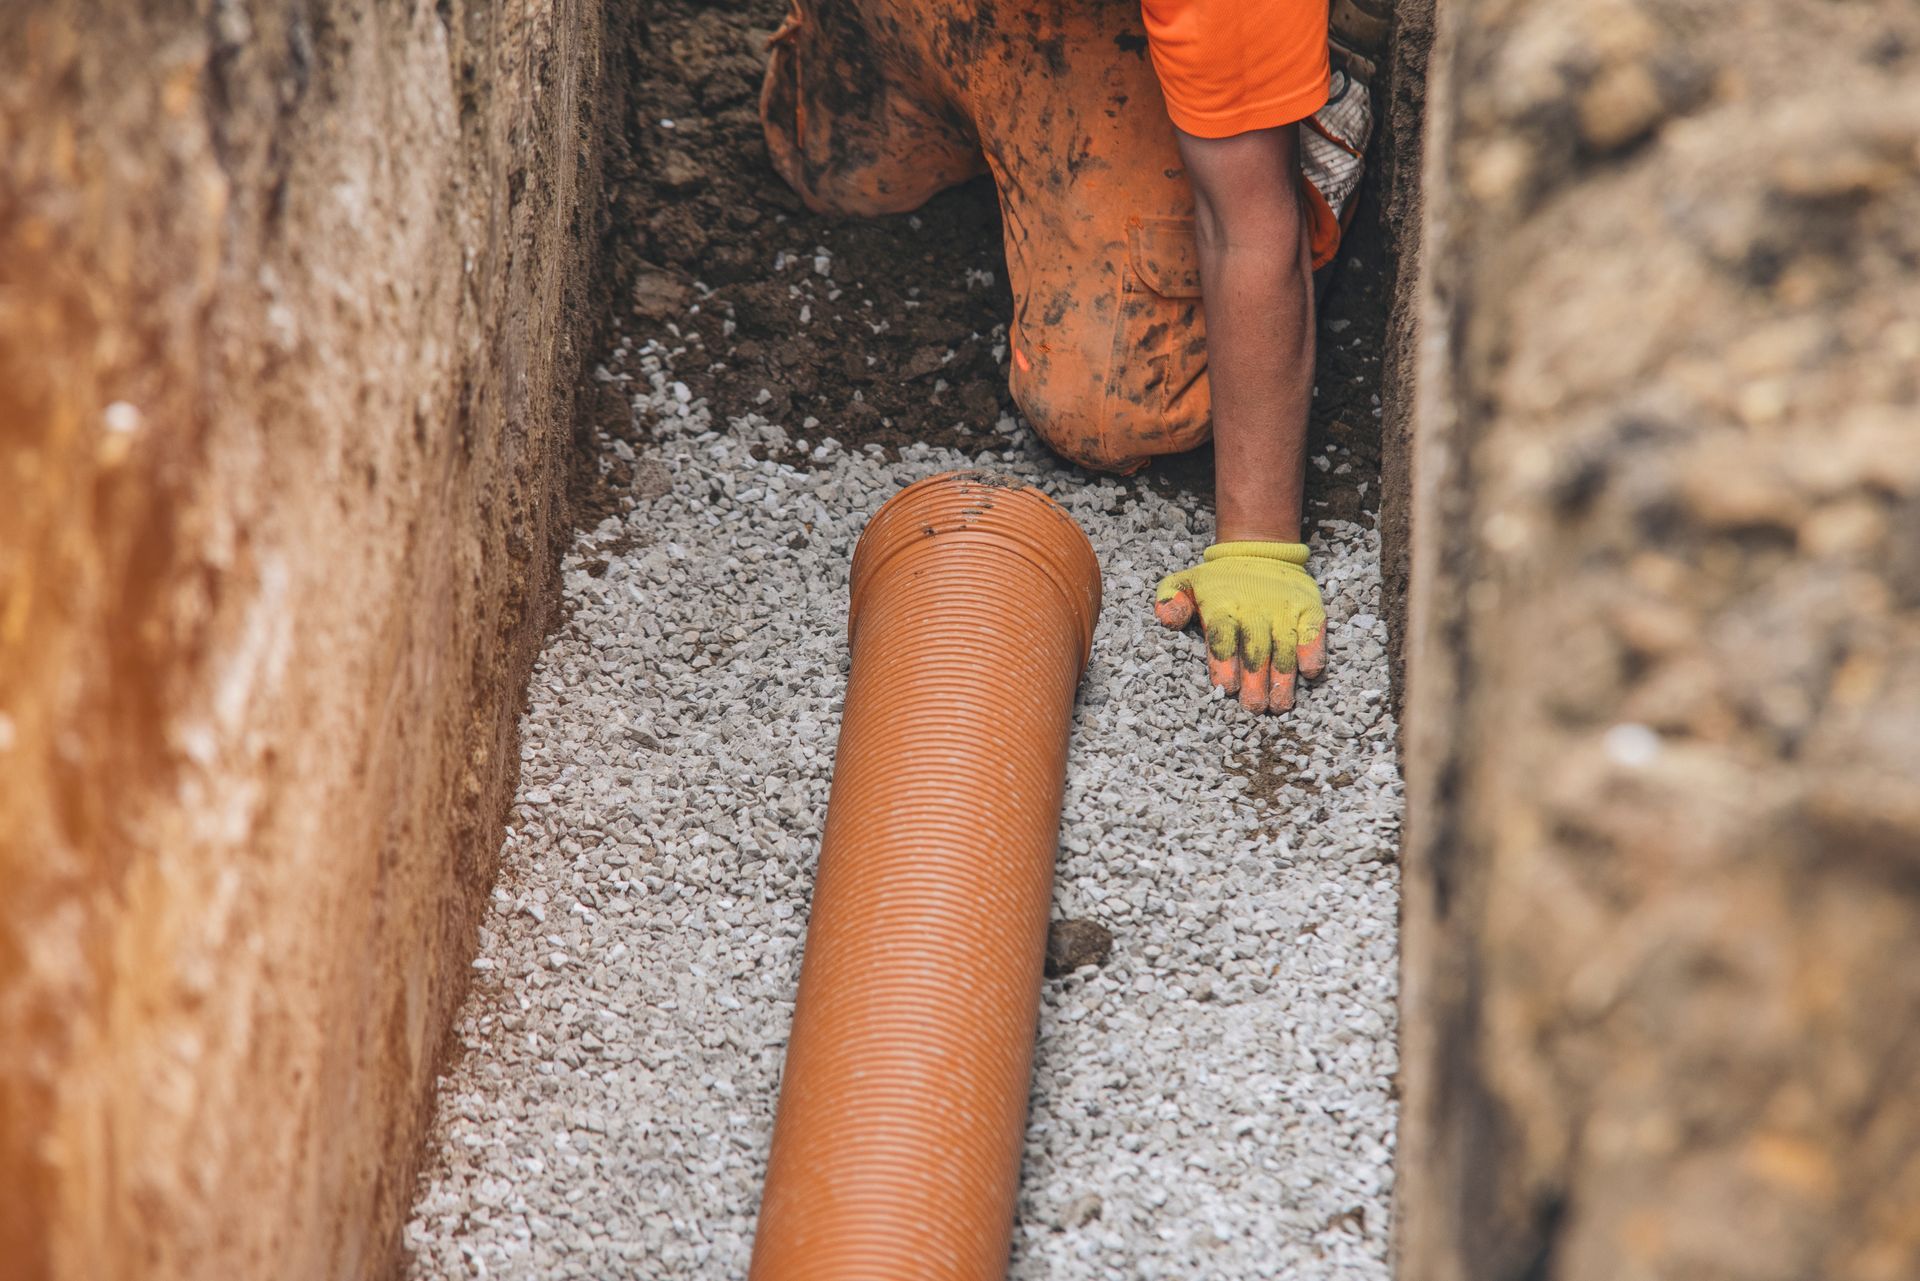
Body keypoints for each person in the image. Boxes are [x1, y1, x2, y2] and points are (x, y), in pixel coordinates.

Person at [757, 0, 1369, 714]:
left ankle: (1304, 95)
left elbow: (1245, 226)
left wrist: (1259, 543)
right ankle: (1008, 151)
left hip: (1146, 31)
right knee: (829, 160)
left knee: (1118, 401)